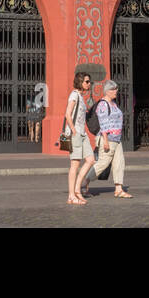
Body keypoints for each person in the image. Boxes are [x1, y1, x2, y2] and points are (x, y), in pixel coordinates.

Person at [93, 81, 132, 198]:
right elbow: (103, 123)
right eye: (113, 89)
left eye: (116, 89)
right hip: (108, 139)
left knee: (119, 163)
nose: (116, 91)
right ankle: (84, 181)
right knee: (103, 163)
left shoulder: (113, 104)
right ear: (107, 91)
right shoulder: (103, 105)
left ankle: (118, 189)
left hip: (117, 139)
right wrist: (105, 140)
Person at [64, 71, 95, 205]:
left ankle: (77, 189)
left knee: (91, 160)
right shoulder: (74, 95)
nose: (89, 84)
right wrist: (74, 130)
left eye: (89, 82)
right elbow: (67, 114)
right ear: (80, 82)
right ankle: (71, 195)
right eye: (87, 82)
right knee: (74, 165)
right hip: (76, 133)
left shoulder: (81, 97)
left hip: (83, 134)